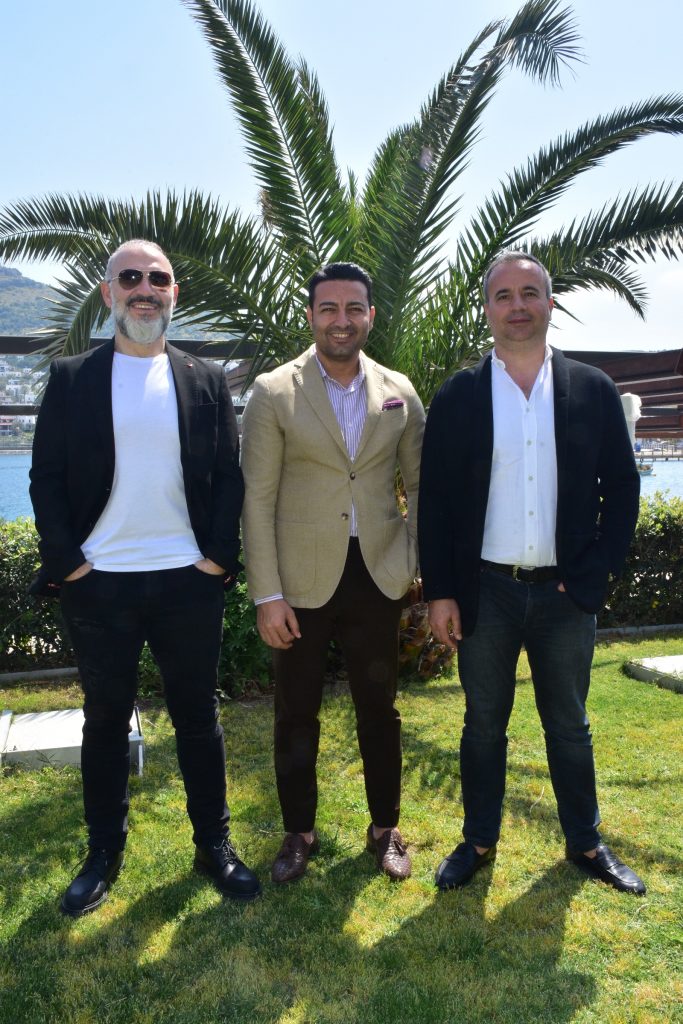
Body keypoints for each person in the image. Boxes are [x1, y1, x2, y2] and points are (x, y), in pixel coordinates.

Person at [30, 239, 261, 915]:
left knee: (198, 718)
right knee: (104, 720)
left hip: (187, 581)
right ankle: (103, 852)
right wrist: (70, 564)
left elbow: (228, 477)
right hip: (98, 582)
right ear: (109, 293)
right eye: (129, 277)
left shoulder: (205, 378)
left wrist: (217, 558)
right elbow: (45, 478)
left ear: (172, 294)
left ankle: (213, 845)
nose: (144, 288)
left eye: (157, 278)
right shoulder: (72, 377)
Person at [418, 251, 646, 895]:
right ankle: (478, 840)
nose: (516, 306)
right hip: (485, 590)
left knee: (569, 724)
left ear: (550, 303)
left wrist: (594, 571)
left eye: (529, 293)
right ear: (487, 309)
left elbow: (622, 490)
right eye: (503, 295)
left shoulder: (592, 389)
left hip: (564, 596)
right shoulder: (460, 395)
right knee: (482, 723)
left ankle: (586, 842)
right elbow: (435, 504)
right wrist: (441, 593)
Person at [241, 262, 425, 883]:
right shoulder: (273, 391)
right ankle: (299, 832)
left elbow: (422, 486)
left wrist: (411, 561)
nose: (340, 321)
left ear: (370, 315)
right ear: (312, 315)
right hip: (299, 582)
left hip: (377, 575)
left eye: (353, 309)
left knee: (381, 708)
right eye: (328, 309)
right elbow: (257, 499)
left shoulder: (399, 390)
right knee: (296, 712)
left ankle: (385, 827)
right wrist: (266, 594)